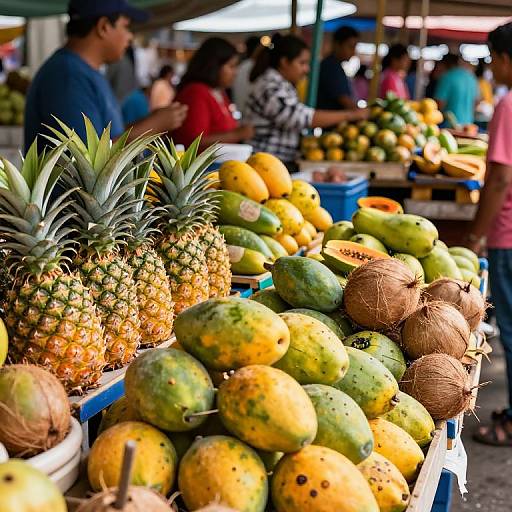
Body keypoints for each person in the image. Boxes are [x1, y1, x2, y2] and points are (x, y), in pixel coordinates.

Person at [24, 0, 187, 153]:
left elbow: (105, 137)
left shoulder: (84, 72)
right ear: (103, 27)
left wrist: (151, 121)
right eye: (126, 27)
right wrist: (153, 125)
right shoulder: (68, 77)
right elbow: (87, 158)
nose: (130, 37)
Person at [468, 22, 512, 446]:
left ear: (504, 58)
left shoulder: (507, 104)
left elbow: (498, 178)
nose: (492, 69)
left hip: (508, 234)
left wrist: (477, 235)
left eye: (493, 60)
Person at [245, 34, 368, 165]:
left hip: (276, 162)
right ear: (285, 62)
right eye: (302, 63)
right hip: (265, 163)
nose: (306, 69)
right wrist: (350, 115)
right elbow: (301, 118)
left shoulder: (283, 84)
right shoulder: (270, 86)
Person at [172, 37, 253, 148]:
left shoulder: (218, 91)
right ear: (214, 66)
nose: (235, 72)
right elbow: (193, 143)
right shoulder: (196, 92)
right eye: (231, 66)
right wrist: (237, 134)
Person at [317, 26, 359, 110]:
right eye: (350, 47)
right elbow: (345, 101)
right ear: (337, 44)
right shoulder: (330, 67)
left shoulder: (335, 65)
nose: (353, 52)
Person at [434, 52, 479, 125]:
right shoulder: (471, 77)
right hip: (468, 125)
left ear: (445, 64)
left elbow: (439, 103)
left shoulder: (447, 77)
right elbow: (476, 102)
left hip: (449, 126)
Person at [233, 36, 262, 114]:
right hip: (252, 115)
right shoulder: (257, 67)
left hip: (240, 112)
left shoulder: (240, 67)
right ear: (257, 49)